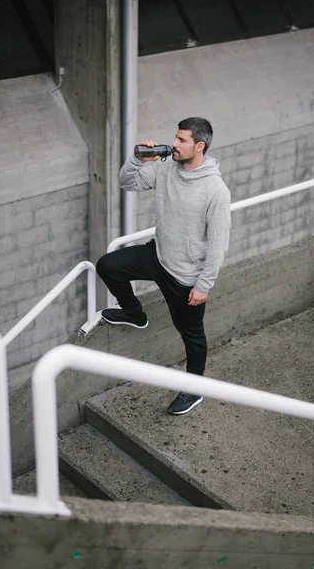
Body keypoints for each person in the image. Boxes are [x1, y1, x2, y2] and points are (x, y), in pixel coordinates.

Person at [96, 117, 231, 415]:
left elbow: (219, 244)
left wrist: (203, 285)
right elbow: (127, 183)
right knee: (108, 265)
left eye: (181, 140)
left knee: (192, 337)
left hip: (185, 277)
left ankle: (195, 390)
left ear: (200, 145)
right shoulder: (166, 167)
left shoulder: (215, 191)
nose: (174, 144)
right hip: (157, 256)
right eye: (175, 137)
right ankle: (134, 313)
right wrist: (137, 158)